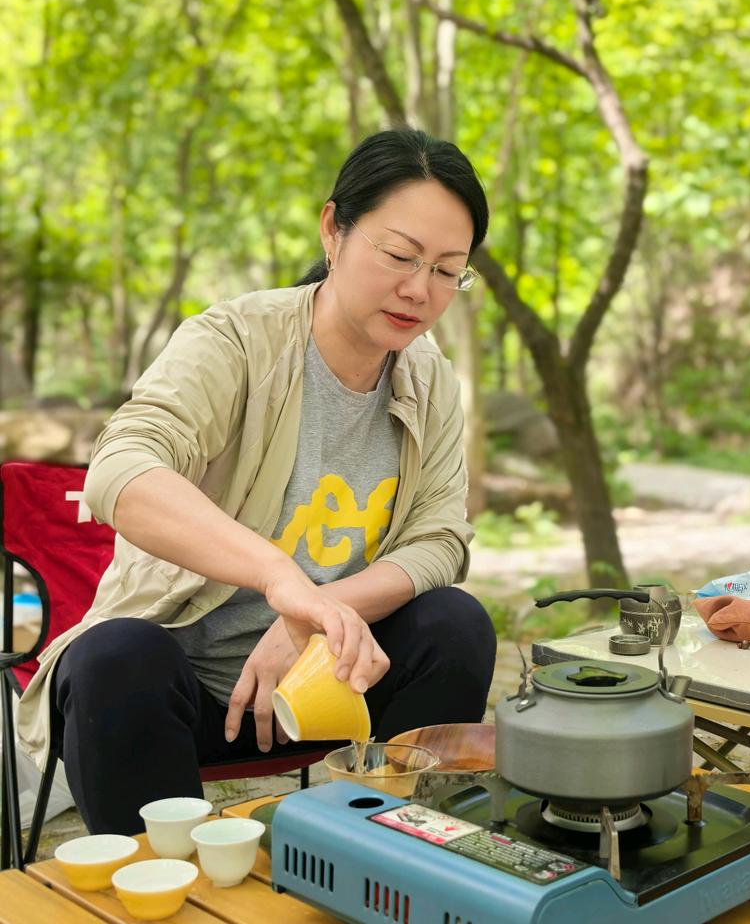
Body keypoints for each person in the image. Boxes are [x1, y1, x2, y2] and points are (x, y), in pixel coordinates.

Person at [16, 128, 497, 834]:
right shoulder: (236, 342)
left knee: (456, 624)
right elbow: (122, 467)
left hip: (335, 688)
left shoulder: (430, 380)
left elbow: (441, 539)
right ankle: (164, 880)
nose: (418, 289)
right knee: (112, 658)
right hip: (183, 695)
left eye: (447, 270)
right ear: (334, 229)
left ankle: (392, 850)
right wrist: (281, 579)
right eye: (399, 255)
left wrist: (314, 615)